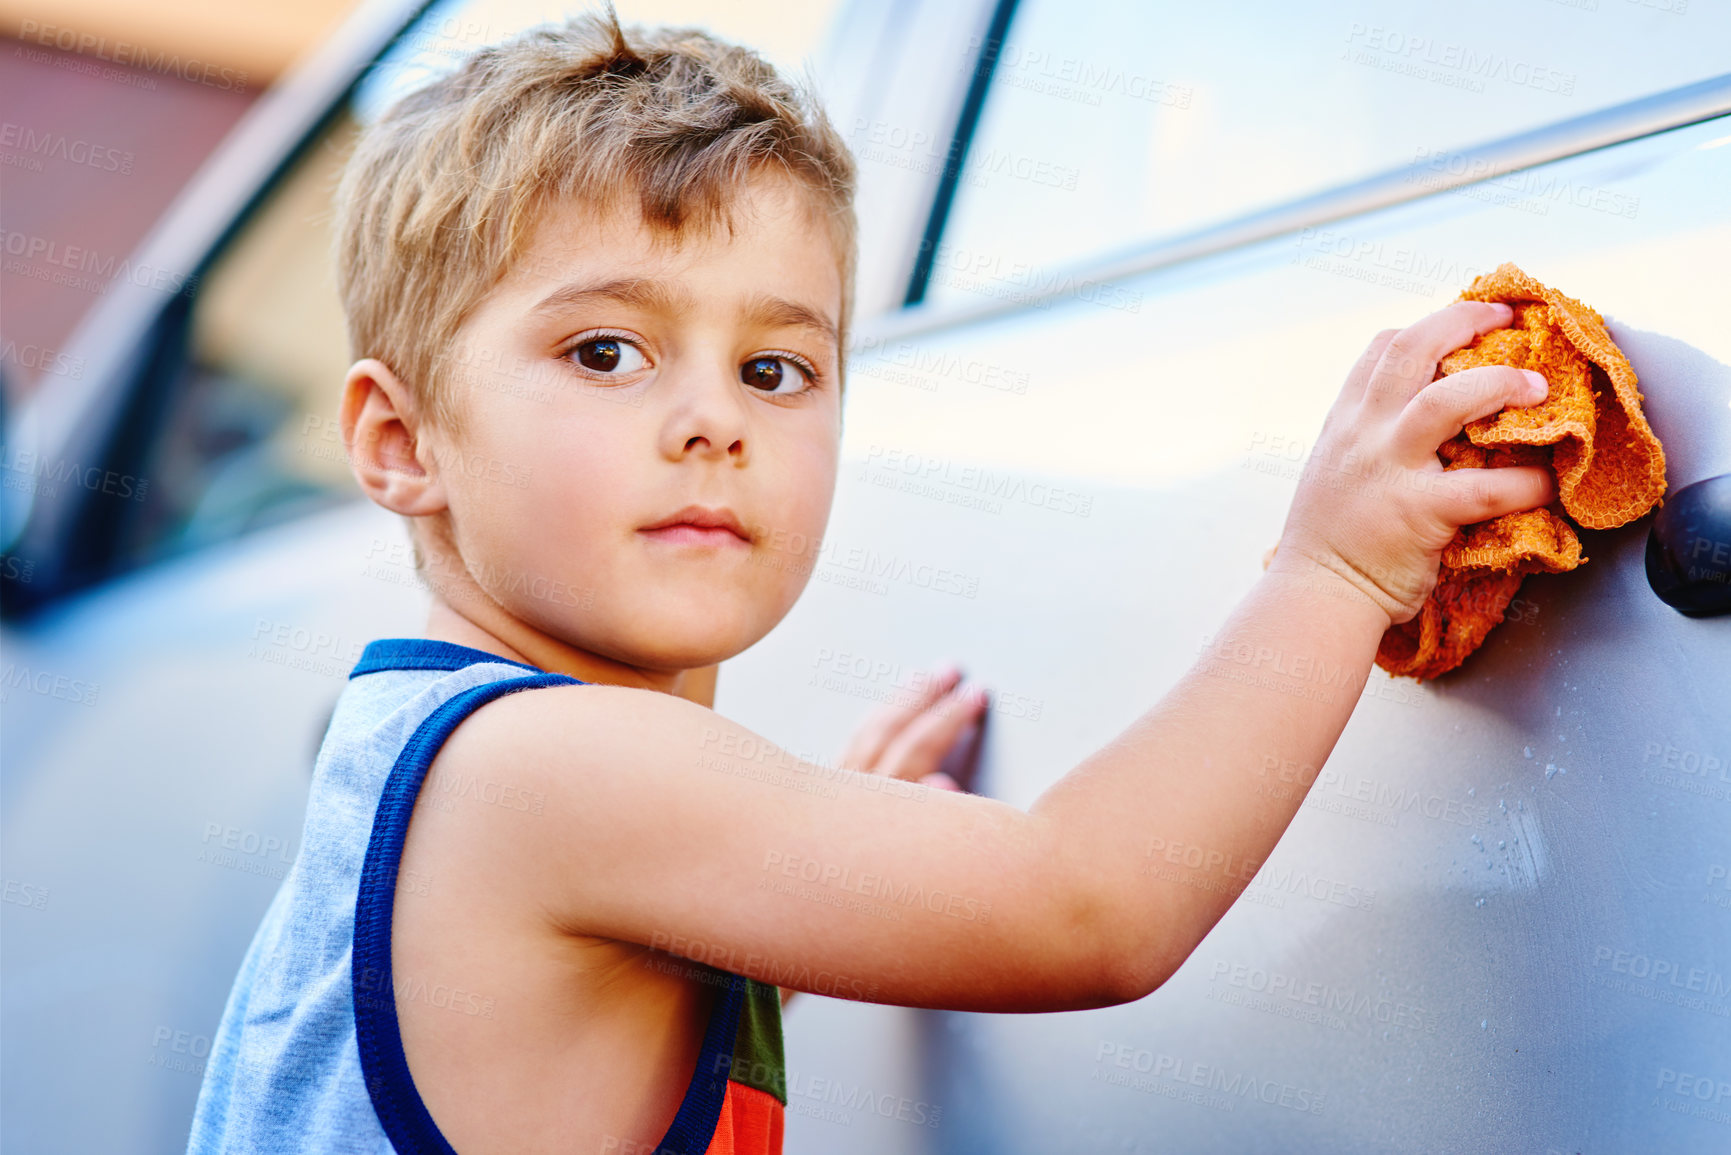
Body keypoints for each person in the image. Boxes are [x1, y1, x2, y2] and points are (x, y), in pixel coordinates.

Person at [186, 9, 1555, 1154]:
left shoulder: (451, 758)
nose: (712, 421)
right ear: (399, 439)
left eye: (774, 369)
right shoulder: (544, 769)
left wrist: (815, 869)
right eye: (607, 352)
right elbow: (1088, 908)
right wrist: (1331, 568)